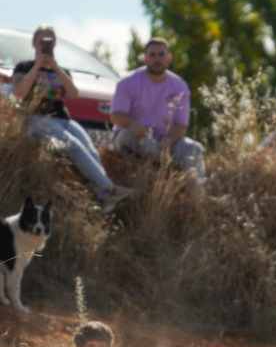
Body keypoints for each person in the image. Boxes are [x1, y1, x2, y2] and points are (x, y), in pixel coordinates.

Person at [10, 27, 132, 212]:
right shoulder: (24, 67)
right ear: (34, 43)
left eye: (49, 41)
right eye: (42, 41)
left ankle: (101, 194)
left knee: (90, 148)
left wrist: (56, 68)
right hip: (37, 118)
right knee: (72, 144)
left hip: (63, 119)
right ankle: (109, 189)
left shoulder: (61, 70)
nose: (45, 45)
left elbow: (74, 94)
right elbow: (19, 94)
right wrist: (37, 66)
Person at [110, 38, 206, 182]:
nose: (157, 59)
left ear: (169, 58)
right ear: (145, 58)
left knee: (194, 148)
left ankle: (198, 199)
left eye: (161, 54)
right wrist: (133, 125)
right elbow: (116, 116)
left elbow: (181, 125)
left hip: (164, 141)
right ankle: (162, 174)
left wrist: (168, 141)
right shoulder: (127, 82)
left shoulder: (180, 86)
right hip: (135, 136)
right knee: (126, 136)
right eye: (152, 55)